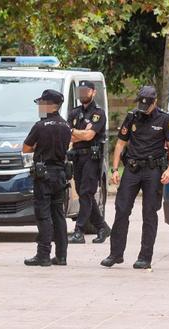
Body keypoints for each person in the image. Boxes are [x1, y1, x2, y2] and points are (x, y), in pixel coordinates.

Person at [102, 85, 169, 270]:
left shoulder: (164, 118)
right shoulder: (132, 116)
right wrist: (114, 170)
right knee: (121, 210)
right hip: (132, 169)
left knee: (149, 214)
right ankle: (115, 254)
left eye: (147, 105)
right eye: (141, 105)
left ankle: (145, 257)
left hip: (153, 171)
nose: (143, 109)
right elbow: (120, 144)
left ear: (155, 102)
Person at [22, 89, 72, 267]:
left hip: (44, 176)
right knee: (58, 215)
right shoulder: (66, 126)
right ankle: (61, 256)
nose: (40, 107)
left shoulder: (40, 126)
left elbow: (26, 148)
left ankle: (43, 255)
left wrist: (39, 147)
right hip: (60, 175)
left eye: (42, 103)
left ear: (51, 105)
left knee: (43, 215)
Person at [67, 81, 111, 245]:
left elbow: (89, 136)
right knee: (84, 193)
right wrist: (78, 132)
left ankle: (79, 230)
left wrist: (75, 132)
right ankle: (102, 227)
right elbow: (69, 135)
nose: (82, 93)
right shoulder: (74, 112)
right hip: (77, 157)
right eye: (81, 90)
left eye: (86, 90)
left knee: (86, 192)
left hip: (92, 158)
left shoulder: (98, 113)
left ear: (93, 92)